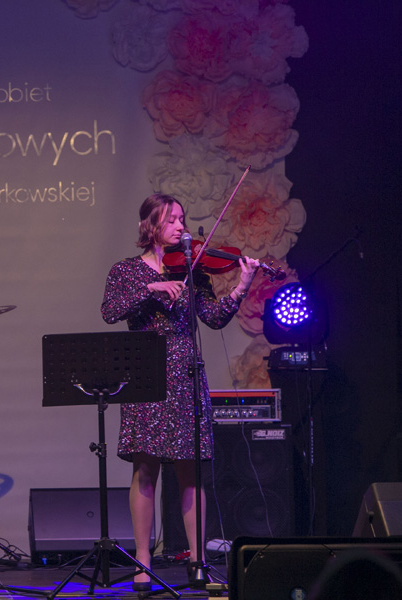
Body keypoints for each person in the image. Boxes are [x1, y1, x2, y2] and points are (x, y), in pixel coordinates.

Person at [100, 194, 259, 591]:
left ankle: (197, 560)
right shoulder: (126, 270)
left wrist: (241, 286)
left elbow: (214, 318)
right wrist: (151, 289)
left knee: (190, 472)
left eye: (182, 219)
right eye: (171, 219)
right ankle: (142, 559)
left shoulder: (193, 270)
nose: (180, 226)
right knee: (145, 469)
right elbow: (110, 310)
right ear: (150, 225)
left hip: (185, 372)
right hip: (145, 372)